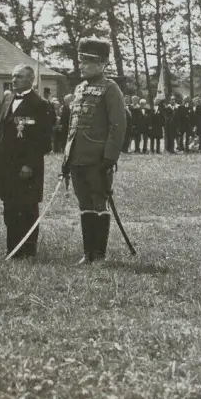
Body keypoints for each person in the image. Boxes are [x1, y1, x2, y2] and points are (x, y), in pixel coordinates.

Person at [61, 38, 127, 265]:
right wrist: (67, 157)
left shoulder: (111, 89)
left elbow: (118, 125)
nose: (81, 66)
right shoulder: (80, 88)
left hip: (98, 159)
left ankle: (98, 254)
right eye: (81, 61)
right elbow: (73, 127)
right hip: (77, 158)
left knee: (99, 203)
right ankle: (87, 253)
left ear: (101, 64)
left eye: (87, 62)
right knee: (84, 205)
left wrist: (110, 157)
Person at [0, 65, 53, 260]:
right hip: (5, 164)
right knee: (10, 207)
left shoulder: (40, 104)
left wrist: (29, 164)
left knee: (28, 208)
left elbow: (43, 139)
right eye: (13, 76)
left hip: (26, 167)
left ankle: (28, 251)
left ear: (31, 80)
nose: (14, 80)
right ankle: (12, 249)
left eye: (20, 77)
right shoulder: (6, 100)